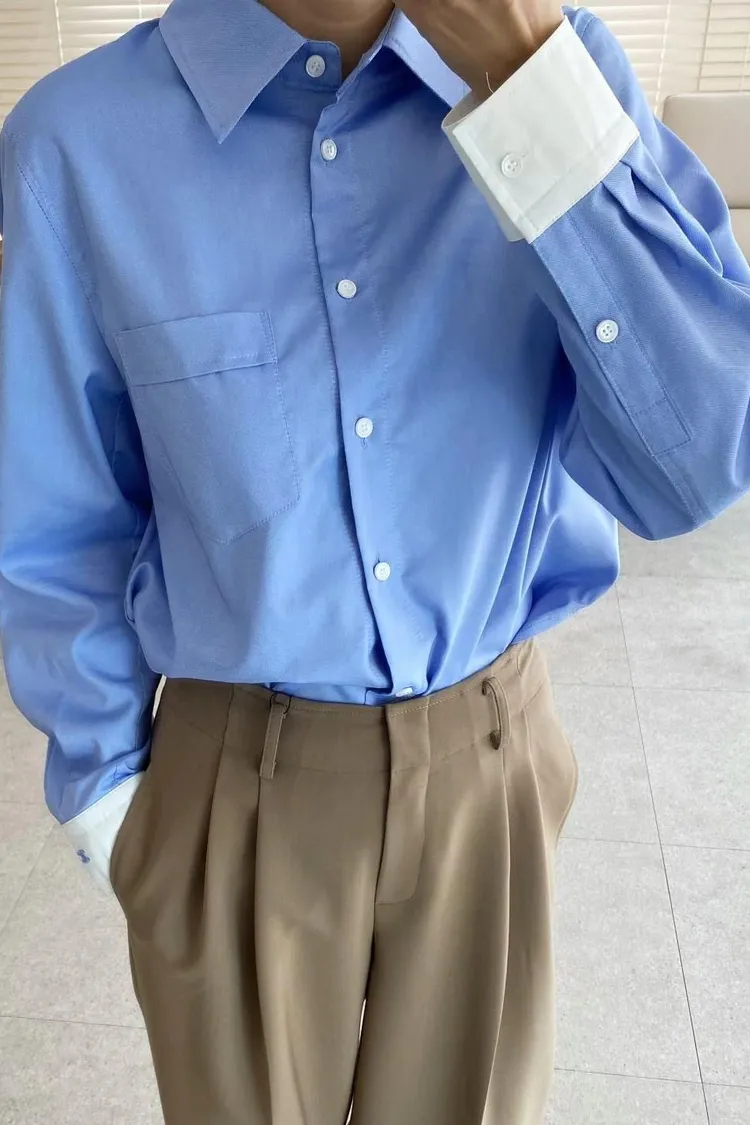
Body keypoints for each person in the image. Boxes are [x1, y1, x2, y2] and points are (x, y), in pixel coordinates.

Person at [0, 0, 748, 1121]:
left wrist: (528, 87)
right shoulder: (80, 139)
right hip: (227, 796)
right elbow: (58, 517)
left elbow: (693, 465)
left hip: (488, 772)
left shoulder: (567, 73)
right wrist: (116, 814)